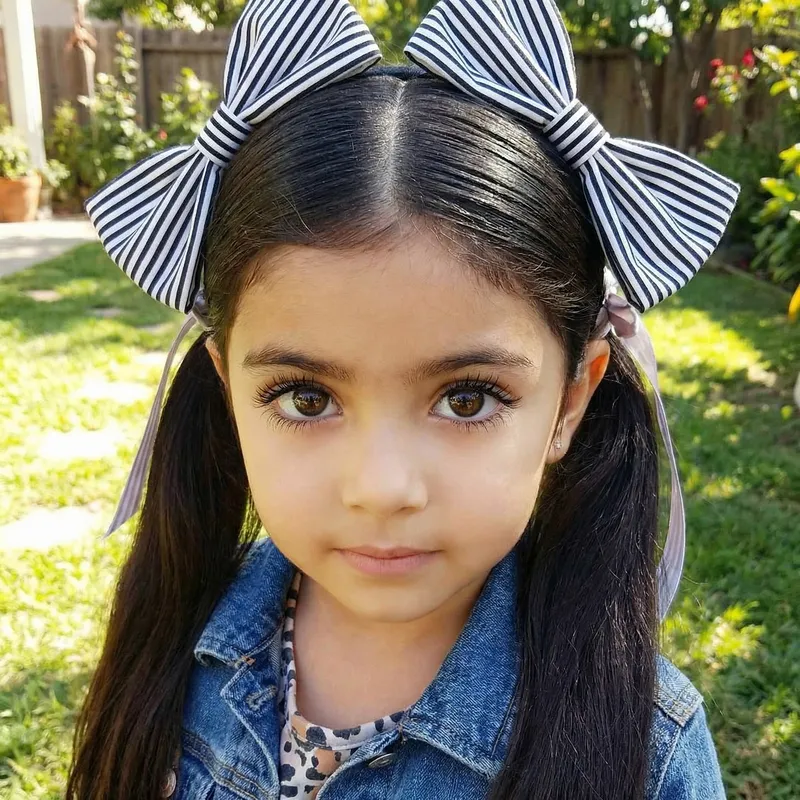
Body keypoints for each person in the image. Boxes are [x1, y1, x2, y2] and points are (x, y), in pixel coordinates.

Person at [65, 0, 740, 798]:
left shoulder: (645, 752)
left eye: (467, 400)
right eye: (305, 398)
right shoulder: (169, 644)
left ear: (570, 401)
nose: (382, 487)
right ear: (227, 388)